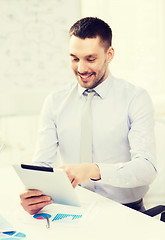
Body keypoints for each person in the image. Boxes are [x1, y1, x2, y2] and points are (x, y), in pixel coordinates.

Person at [20, 17, 157, 215]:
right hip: (73, 209)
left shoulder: (135, 98)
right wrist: (33, 193)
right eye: (74, 58)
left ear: (109, 55)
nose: (81, 69)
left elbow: (146, 169)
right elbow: (42, 165)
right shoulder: (55, 101)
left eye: (90, 59)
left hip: (126, 211)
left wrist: (93, 170)